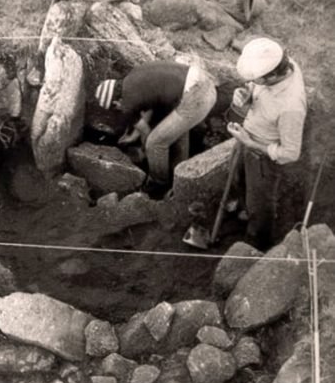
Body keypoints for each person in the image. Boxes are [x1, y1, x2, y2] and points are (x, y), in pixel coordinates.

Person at [227, 37, 307, 250]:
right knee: (238, 179)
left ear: (272, 76)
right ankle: (245, 211)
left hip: (262, 156)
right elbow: (255, 86)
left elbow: (290, 153)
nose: (254, 81)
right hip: (247, 135)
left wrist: (251, 144)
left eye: (258, 79)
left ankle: (257, 243)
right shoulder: (279, 63)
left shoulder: (291, 107)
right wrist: (247, 94)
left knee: (260, 204)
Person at [95, 59, 217, 192]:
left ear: (115, 103)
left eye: (116, 108)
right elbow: (148, 111)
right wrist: (133, 136)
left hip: (196, 97)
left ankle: (158, 184)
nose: (119, 109)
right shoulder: (132, 79)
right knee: (176, 134)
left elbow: (146, 132)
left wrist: (144, 151)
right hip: (203, 83)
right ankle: (179, 178)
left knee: (155, 143)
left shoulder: (127, 103)